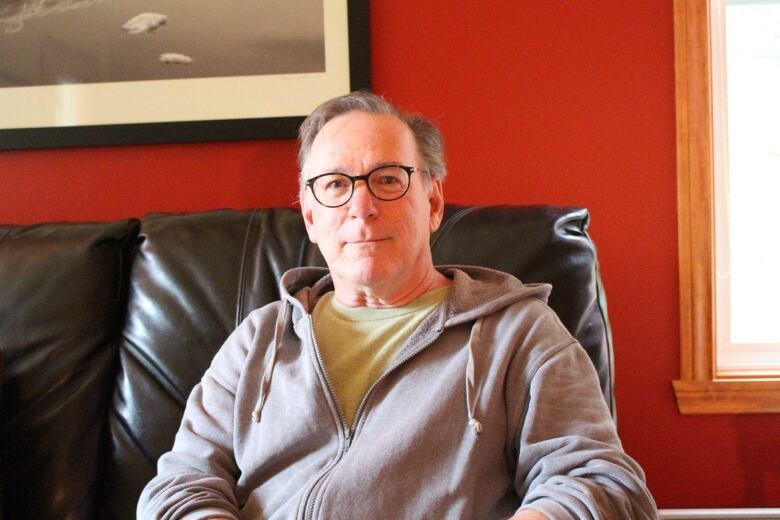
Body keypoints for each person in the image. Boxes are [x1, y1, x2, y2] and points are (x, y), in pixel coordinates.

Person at [138, 91, 658, 519]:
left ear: (432, 202)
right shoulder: (260, 339)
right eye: (336, 185)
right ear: (311, 218)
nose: (361, 208)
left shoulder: (518, 332)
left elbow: (601, 483)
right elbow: (182, 483)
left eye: (387, 179)